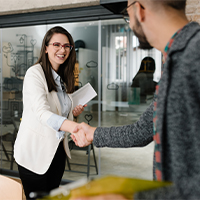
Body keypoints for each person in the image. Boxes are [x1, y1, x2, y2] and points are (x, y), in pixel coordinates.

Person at [71, 0, 200, 199]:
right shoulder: (174, 62)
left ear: (139, 11)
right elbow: (142, 132)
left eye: (127, 14)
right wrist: (93, 134)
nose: (130, 24)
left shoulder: (194, 56)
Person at [14, 26, 86, 199]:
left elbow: (59, 112)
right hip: (34, 154)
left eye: (67, 46)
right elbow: (42, 112)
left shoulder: (62, 78)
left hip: (57, 151)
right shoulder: (35, 73)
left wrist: (73, 113)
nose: (62, 50)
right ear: (46, 48)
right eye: (57, 44)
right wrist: (75, 126)